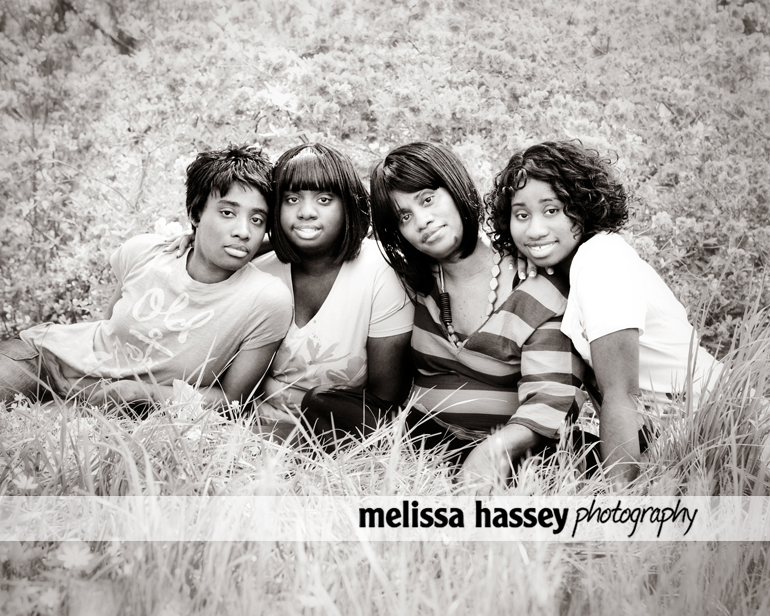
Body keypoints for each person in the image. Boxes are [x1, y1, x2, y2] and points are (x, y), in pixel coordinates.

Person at [347, 141, 586, 492]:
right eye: (404, 217)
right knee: (326, 405)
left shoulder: (534, 287)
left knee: (581, 454)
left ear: (456, 187)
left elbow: (549, 400)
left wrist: (490, 453)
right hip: (422, 439)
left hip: (513, 448)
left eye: (428, 199)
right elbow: (332, 252)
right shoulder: (410, 282)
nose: (422, 221)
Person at [486, 140, 723, 482]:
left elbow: (621, 395)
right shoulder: (568, 270)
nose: (535, 230)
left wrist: (618, 502)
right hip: (673, 442)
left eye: (551, 210)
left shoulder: (600, 261)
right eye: (522, 215)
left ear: (582, 208)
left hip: (718, 427)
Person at [0, 144, 293, 412]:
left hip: (124, 403)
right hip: (44, 358)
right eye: (227, 212)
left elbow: (232, 401)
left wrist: (141, 392)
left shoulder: (266, 299)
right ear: (196, 214)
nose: (243, 231)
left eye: (257, 219)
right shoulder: (145, 251)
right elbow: (108, 331)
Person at [250, 143, 414, 438]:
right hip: (250, 430)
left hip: (340, 438)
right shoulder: (258, 270)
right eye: (292, 199)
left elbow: (385, 401)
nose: (306, 212)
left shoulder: (380, 270)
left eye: (324, 199)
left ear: (348, 205)